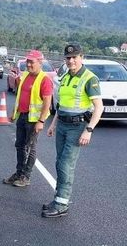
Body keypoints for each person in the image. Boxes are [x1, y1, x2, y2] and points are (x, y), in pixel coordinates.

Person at [43, 43, 103, 218]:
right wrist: (53, 124)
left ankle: (62, 203)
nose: (71, 61)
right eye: (68, 58)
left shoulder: (90, 79)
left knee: (65, 164)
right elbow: (61, 105)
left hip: (77, 127)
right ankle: (58, 198)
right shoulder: (65, 77)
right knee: (59, 162)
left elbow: (99, 107)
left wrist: (89, 130)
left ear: (81, 58)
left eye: (74, 57)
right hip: (61, 124)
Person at [3, 50, 53, 187]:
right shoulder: (25, 75)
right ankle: (19, 173)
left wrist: (41, 121)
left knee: (30, 147)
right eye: (28, 62)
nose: (29, 64)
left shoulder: (44, 79)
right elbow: (19, 96)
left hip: (34, 120)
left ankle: (26, 176)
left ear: (40, 63)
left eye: (32, 62)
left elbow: (47, 102)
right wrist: (14, 112)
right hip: (22, 116)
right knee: (19, 145)